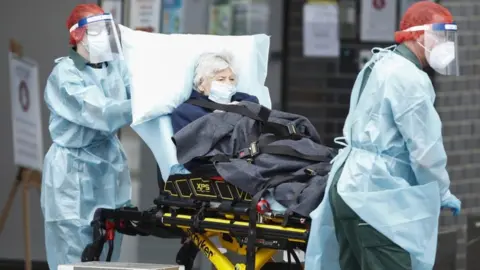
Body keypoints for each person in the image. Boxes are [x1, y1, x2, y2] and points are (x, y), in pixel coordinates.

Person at [305, 2, 461, 270]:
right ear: (417, 34)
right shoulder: (409, 78)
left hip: (351, 188)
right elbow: (425, 150)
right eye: (440, 34)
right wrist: (440, 189)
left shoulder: (381, 63)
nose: (445, 43)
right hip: (375, 198)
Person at [40, 4, 132, 269]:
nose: (105, 36)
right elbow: (100, 112)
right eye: (98, 31)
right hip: (72, 171)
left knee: (110, 246)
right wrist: (143, 102)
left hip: (107, 164)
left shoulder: (116, 68)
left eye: (107, 30)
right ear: (78, 35)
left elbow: (137, 91)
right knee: (73, 248)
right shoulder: (65, 74)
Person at [170, 51, 259, 133]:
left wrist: (239, 108)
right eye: (221, 79)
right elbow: (192, 146)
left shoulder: (241, 99)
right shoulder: (185, 113)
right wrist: (219, 118)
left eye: (232, 79)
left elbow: (256, 107)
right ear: (201, 83)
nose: (228, 84)